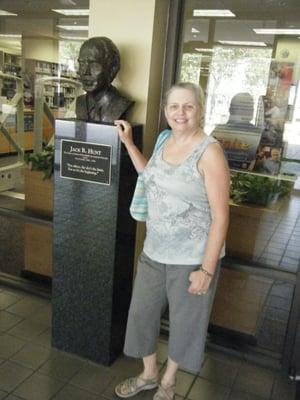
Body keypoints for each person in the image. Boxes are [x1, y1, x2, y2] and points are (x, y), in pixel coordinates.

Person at [114, 82, 229, 400]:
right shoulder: (165, 139)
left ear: (201, 111)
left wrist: (205, 270)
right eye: (174, 106)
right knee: (141, 314)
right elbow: (149, 176)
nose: (181, 113)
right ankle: (149, 374)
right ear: (165, 111)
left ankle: (168, 382)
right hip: (154, 250)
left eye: (189, 106)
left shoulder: (210, 152)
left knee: (185, 322)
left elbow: (221, 217)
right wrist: (128, 143)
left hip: (192, 257)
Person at [76, 36, 134, 123]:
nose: (86, 72)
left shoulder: (120, 104)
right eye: (82, 64)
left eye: (94, 65)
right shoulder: (80, 103)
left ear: (112, 69)